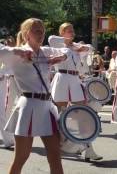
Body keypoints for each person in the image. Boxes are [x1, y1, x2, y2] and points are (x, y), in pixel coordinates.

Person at [2, 18, 69, 174]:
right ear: (26, 34)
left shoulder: (46, 51)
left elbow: (67, 50)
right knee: (21, 158)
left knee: (55, 156)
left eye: (42, 31)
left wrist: (61, 58)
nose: (41, 34)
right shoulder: (16, 54)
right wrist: (16, 51)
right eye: (36, 31)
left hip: (47, 107)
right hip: (28, 107)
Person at [48, 22, 102, 161]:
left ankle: (89, 149)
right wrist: (71, 44)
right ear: (62, 33)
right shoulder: (57, 44)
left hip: (75, 80)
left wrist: (77, 46)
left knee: (83, 115)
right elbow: (51, 38)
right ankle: (59, 145)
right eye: (68, 30)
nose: (72, 32)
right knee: (59, 114)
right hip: (61, 79)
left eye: (72, 30)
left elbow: (91, 48)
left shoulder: (76, 47)